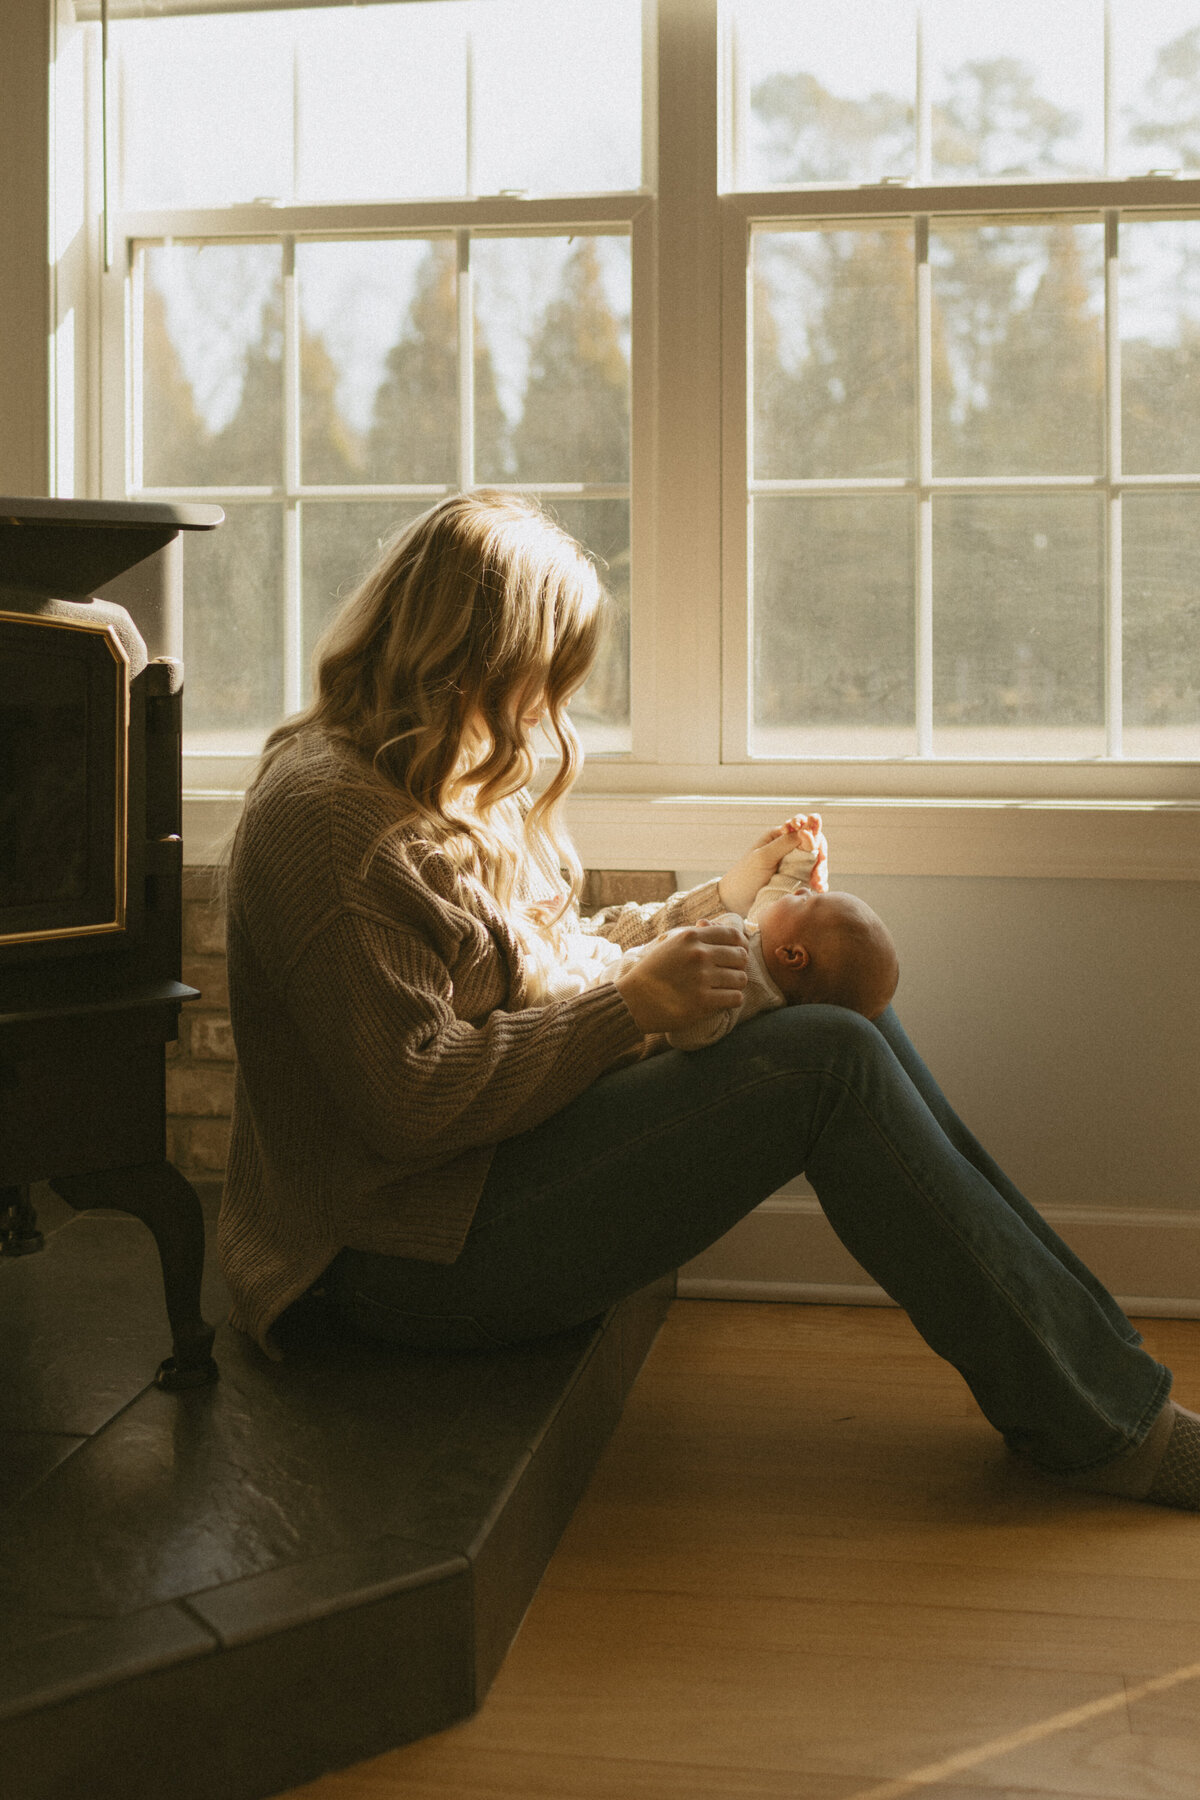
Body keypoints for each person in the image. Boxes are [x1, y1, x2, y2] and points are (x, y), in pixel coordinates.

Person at [219, 488, 1200, 1512]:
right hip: (386, 1258)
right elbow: (410, 1100)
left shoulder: (445, 775)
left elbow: (550, 958)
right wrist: (631, 1009)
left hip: (476, 1186)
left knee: (839, 998)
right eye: (543, 681)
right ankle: (1109, 1427)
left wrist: (726, 906)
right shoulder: (332, 825)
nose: (550, 714)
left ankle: (1109, 1385)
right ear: (474, 658)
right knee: (826, 1061)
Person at [521, 819, 898, 1046]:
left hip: (600, 996)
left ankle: (537, 946)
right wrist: (802, 853)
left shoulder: (743, 987)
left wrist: (693, 996)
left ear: (792, 956)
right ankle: (549, 941)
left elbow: (695, 1036)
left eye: (809, 903)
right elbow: (780, 890)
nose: (804, 892)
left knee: (550, 985)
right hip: (617, 964)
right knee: (583, 948)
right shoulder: (765, 940)